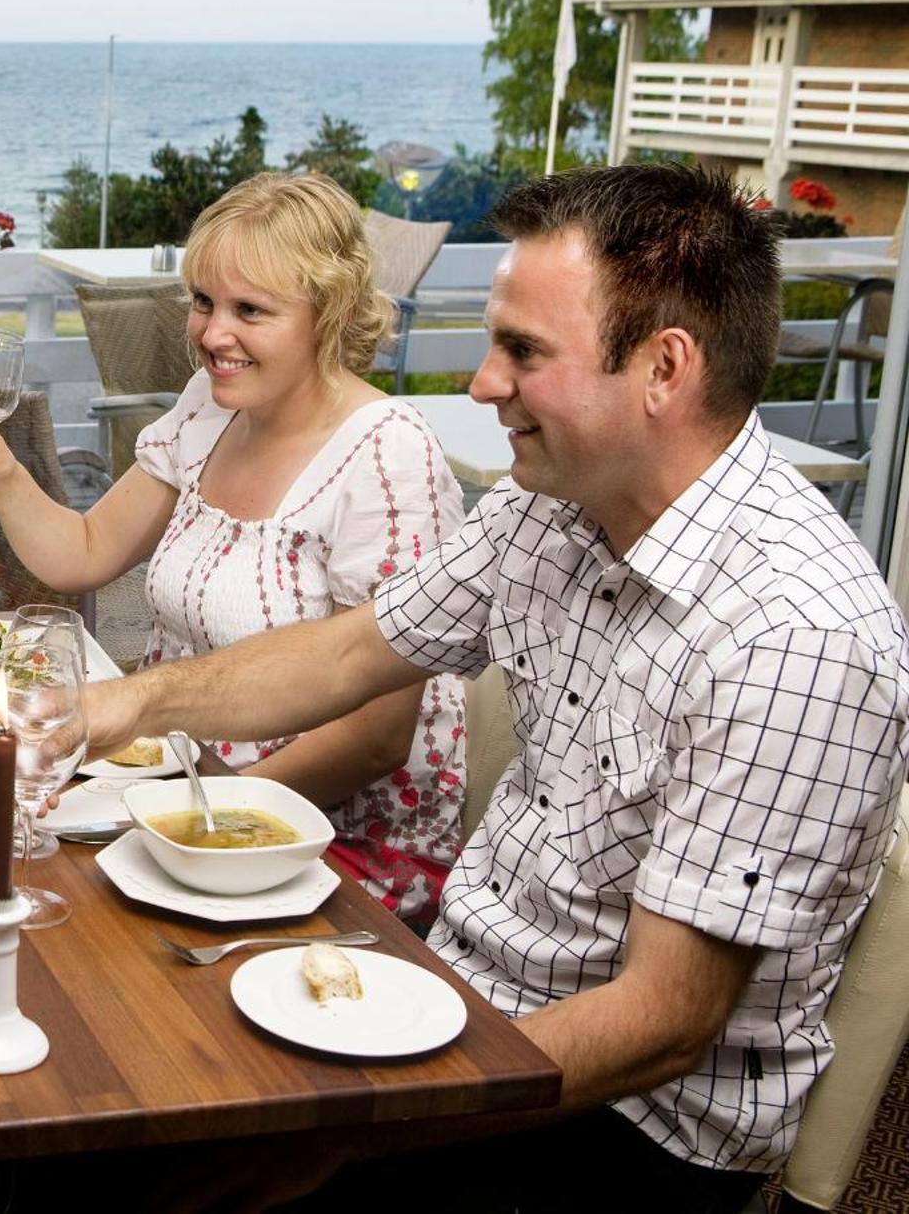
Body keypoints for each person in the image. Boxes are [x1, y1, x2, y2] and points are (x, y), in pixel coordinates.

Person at [86, 162, 909, 1213]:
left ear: (662, 368)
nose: (479, 383)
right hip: (465, 1003)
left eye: (521, 351)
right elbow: (345, 656)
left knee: (188, 1170)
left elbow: (661, 1022)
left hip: (617, 1130)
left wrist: (360, 1123)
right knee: (135, 1077)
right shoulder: (553, 507)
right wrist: (125, 706)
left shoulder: (794, 637)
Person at [0, 172, 466, 924]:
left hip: (327, 845)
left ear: (331, 312)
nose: (212, 334)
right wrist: (5, 475)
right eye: (203, 302)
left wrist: (191, 822)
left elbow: (377, 737)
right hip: (176, 793)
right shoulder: (210, 405)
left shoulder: (390, 455)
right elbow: (86, 549)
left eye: (249, 310)